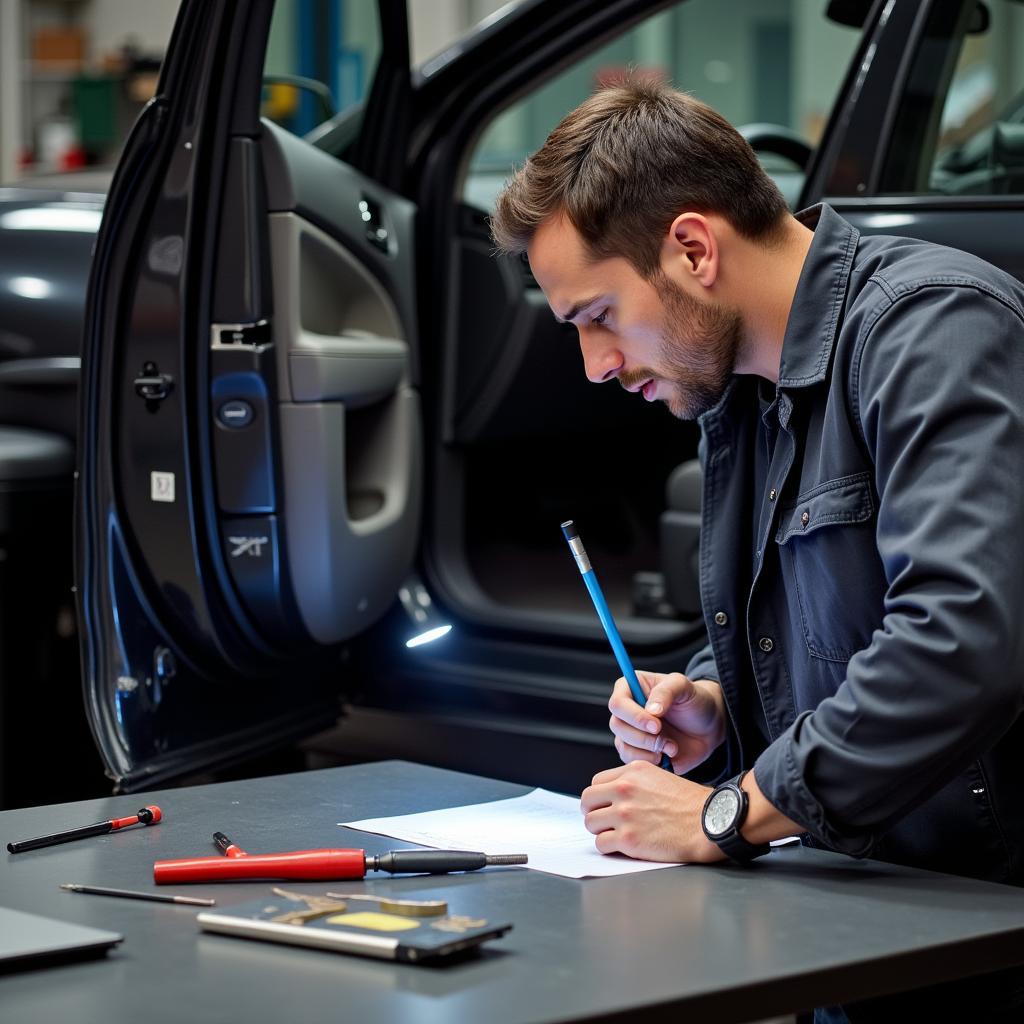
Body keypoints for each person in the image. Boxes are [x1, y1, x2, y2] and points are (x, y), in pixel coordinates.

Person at [490, 78, 1024, 1021]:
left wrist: (723, 811)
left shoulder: (935, 331)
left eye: (597, 317)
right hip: (853, 914)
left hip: (978, 925)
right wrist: (714, 699)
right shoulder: (736, 395)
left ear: (693, 249)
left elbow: (961, 642)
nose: (598, 366)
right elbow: (826, 628)